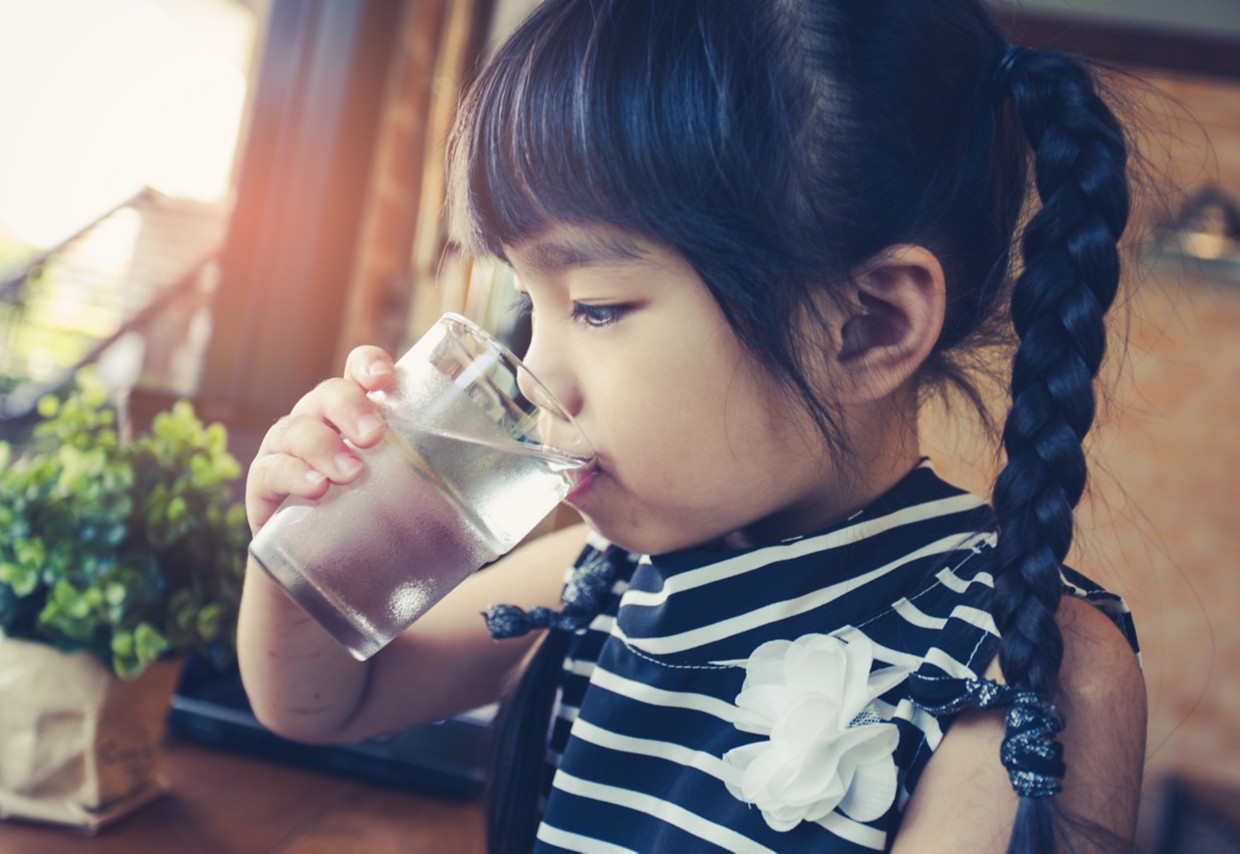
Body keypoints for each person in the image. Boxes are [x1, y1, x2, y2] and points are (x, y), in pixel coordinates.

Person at [238, 1, 1148, 851]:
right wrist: (306, 537)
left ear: (866, 327)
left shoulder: (1028, 667)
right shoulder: (602, 578)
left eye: (594, 306)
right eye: (527, 303)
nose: (536, 374)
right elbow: (325, 702)